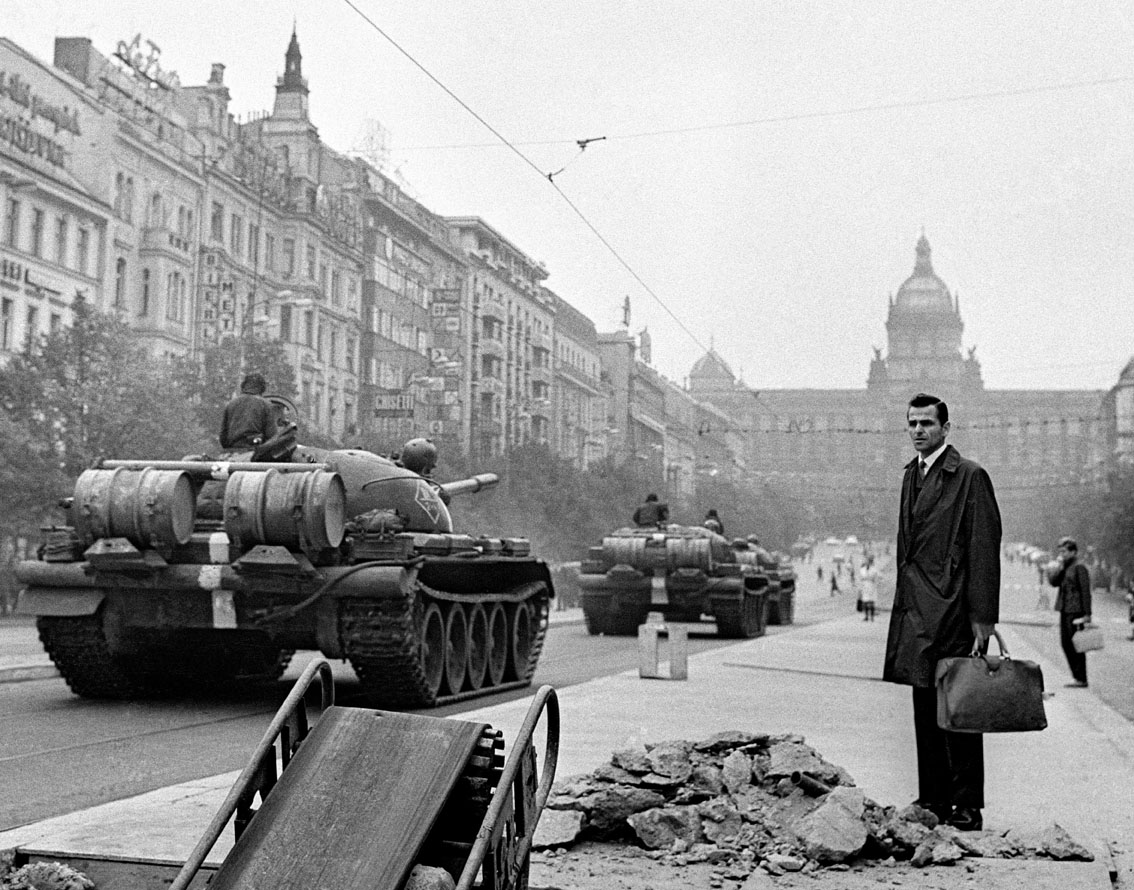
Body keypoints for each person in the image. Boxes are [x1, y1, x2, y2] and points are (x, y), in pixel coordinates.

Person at [883, 393, 1002, 832]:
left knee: (961, 708)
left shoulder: (970, 476)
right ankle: (933, 796)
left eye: (927, 424)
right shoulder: (910, 476)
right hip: (917, 611)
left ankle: (967, 803)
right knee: (923, 705)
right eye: (912, 423)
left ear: (946, 429)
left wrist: (983, 616)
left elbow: (984, 548)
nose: (918, 431)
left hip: (953, 609)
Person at [1047, 537, 1092, 687]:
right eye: (1060, 552)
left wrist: (1087, 614)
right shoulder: (1065, 567)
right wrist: (1059, 567)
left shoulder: (1080, 567)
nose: (1062, 555)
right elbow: (1054, 582)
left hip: (1076, 610)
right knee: (1065, 643)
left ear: (1073, 552)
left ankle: (1081, 677)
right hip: (1065, 609)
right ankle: (1076, 676)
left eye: (1065, 552)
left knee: (1076, 644)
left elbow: (1085, 591)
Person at [219, 372, 276, 452]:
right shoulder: (265, 405)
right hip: (255, 453)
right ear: (262, 388)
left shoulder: (231, 404)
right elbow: (271, 436)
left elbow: (223, 437)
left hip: (232, 452)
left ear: (243, 386)